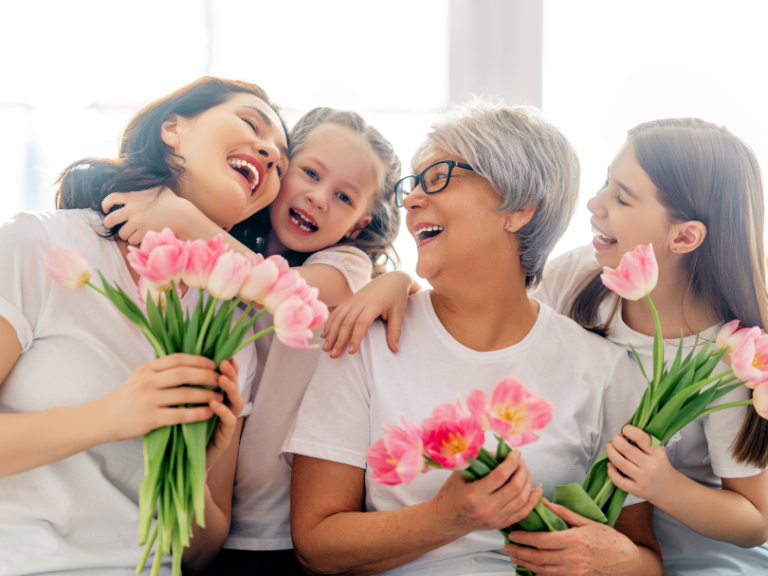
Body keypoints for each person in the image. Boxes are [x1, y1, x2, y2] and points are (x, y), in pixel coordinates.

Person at [323, 117, 768, 575]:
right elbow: (492, 306)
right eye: (604, 184)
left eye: (622, 197)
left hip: (707, 549)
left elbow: (754, 521)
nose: (594, 204)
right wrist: (396, 281)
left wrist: (661, 485)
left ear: (685, 236)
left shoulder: (731, 357)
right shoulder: (583, 278)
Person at [282, 99, 663, 576]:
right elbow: (315, 543)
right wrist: (445, 519)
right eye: (412, 184)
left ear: (519, 207)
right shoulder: (366, 341)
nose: (411, 199)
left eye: (438, 176)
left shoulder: (605, 372)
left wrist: (617, 559)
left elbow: (647, 560)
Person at [0, 76, 289, 576]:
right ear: (172, 128)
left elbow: (199, 555)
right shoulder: (39, 246)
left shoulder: (232, 332)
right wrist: (115, 415)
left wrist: (192, 466)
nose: (268, 153)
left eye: (281, 162)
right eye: (250, 123)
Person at [100, 107, 401, 574]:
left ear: (358, 226)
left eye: (344, 197)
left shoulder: (346, 266)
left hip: (280, 525)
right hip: (211, 511)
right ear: (278, 174)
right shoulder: (233, 243)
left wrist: (179, 216)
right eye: (310, 173)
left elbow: (279, 291)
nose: (319, 198)